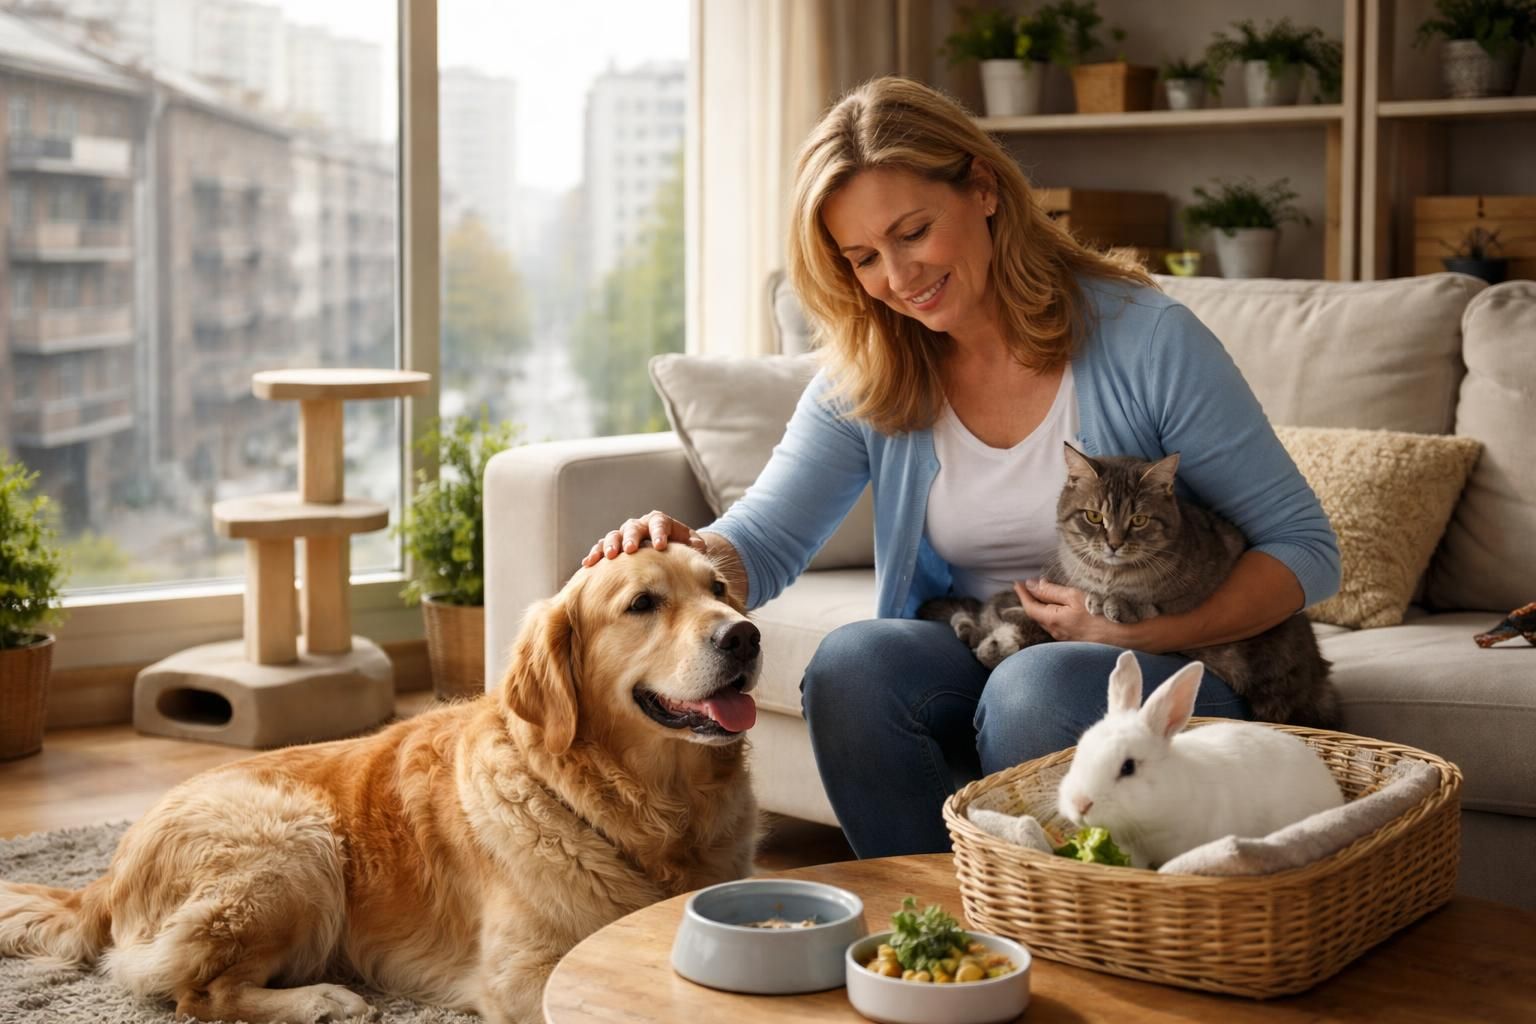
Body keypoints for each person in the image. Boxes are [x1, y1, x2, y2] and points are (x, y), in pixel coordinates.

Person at [582, 76, 1339, 859]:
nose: (899, 278)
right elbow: (766, 541)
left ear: (982, 187)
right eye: (864, 258)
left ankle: (1074, 948)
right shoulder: (872, 368)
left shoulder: (1148, 341)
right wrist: (684, 553)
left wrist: (1128, 627)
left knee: (1035, 688)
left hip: (1155, 680)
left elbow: (1306, 551)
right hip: (993, 642)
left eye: (913, 232)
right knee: (854, 663)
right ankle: (940, 930)